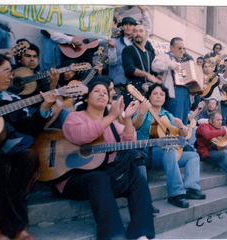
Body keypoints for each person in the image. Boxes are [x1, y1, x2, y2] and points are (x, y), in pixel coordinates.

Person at [59, 76, 155, 240]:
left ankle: (141, 234)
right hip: (73, 178)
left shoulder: (113, 123)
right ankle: (113, 236)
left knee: (137, 175)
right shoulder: (75, 117)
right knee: (99, 177)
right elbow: (81, 136)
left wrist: (127, 119)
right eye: (96, 91)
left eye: (105, 92)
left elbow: (129, 143)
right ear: (86, 97)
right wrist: (111, 116)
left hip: (105, 178)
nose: (102, 94)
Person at [0, 53, 57, 240]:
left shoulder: (11, 98)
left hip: (6, 149)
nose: (11, 76)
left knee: (28, 156)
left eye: (11, 71)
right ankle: (5, 227)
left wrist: (44, 108)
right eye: (6, 70)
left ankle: (14, 227)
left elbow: (28, 128)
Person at [132, 83, 206, 208]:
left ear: (165, 98)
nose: (158, 96)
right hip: (148, 152)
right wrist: (141, 113)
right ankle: (175, 194)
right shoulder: (143, 111)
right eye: (155, 93)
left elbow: (184, 134)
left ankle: (191, 188)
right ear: (149, 97)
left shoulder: (167, 114)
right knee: (169, 149)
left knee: (193, 156)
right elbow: (135, 126)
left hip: (168, 152)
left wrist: (182, 126)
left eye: (162, 94)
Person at [11, 41, 70, 129]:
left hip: (34, 109)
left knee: (61, 106)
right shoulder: (11, 72)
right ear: (19, 59)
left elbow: (50, 97)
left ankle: (43, 130)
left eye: (35, 56)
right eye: (28, 56)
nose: (32, 59)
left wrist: (53, 83)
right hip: (12, 109)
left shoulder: (39, 76)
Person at [108, 6, 152, 95]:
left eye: (131, 24)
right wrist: (112, 48)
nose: (128, 27)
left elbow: (147, 28)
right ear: (122, 27)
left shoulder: (139, 43)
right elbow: (112, 63)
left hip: (135, 84)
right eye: (125, 24)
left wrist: (144, 11)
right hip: (118, 84)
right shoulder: (115, 42)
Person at [152, 37, 193, 125]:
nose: (182, 51)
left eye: (183, 48)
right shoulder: (165, 56)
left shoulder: (185, 60)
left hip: (185, 95)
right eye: (179, 48)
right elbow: (154, 66)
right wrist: (170, 64)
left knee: (183, 124)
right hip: (174, 94)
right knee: (175, 123)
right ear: (171, 48)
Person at [122, 24, 160, 105]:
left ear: (146, 34)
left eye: (141, 31)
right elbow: (129, 69)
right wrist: (147, 75)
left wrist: (157, 77)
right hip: (133, 91)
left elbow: (154, 72)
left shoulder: (150, 54)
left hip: (149, 92)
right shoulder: (128, 50)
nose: (138, 34)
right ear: (132, 35)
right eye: (135, 31)